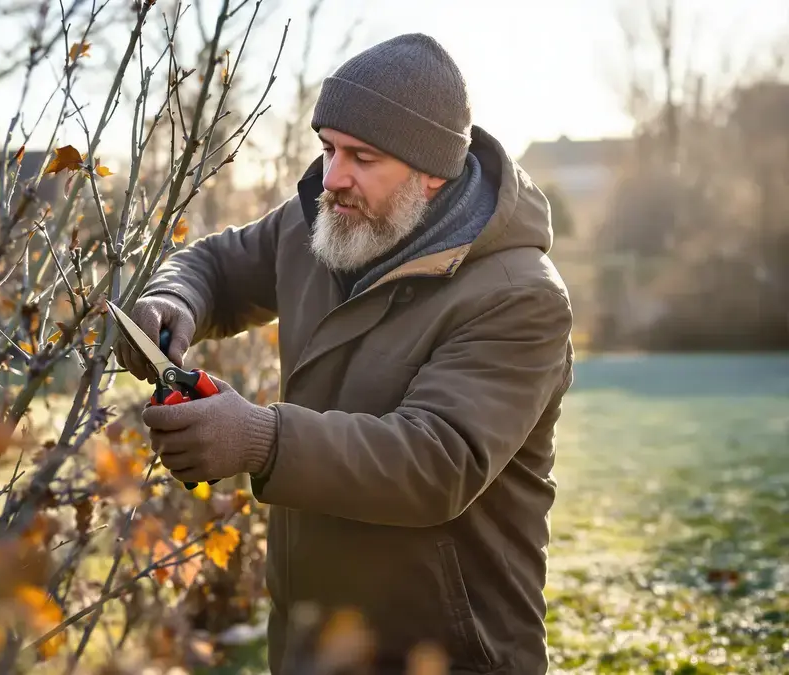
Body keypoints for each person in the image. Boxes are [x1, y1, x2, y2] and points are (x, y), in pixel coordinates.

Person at [116, 33, 574, 674]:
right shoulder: (325, 222)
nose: (332, 177)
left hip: (447, 654)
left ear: (431, 171)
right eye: (328, 147)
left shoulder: (520, 298)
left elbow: (437, 461)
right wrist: (175, 299)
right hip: (311, 642)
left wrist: (262, 441)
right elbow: (218, 264)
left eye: (362, 156)